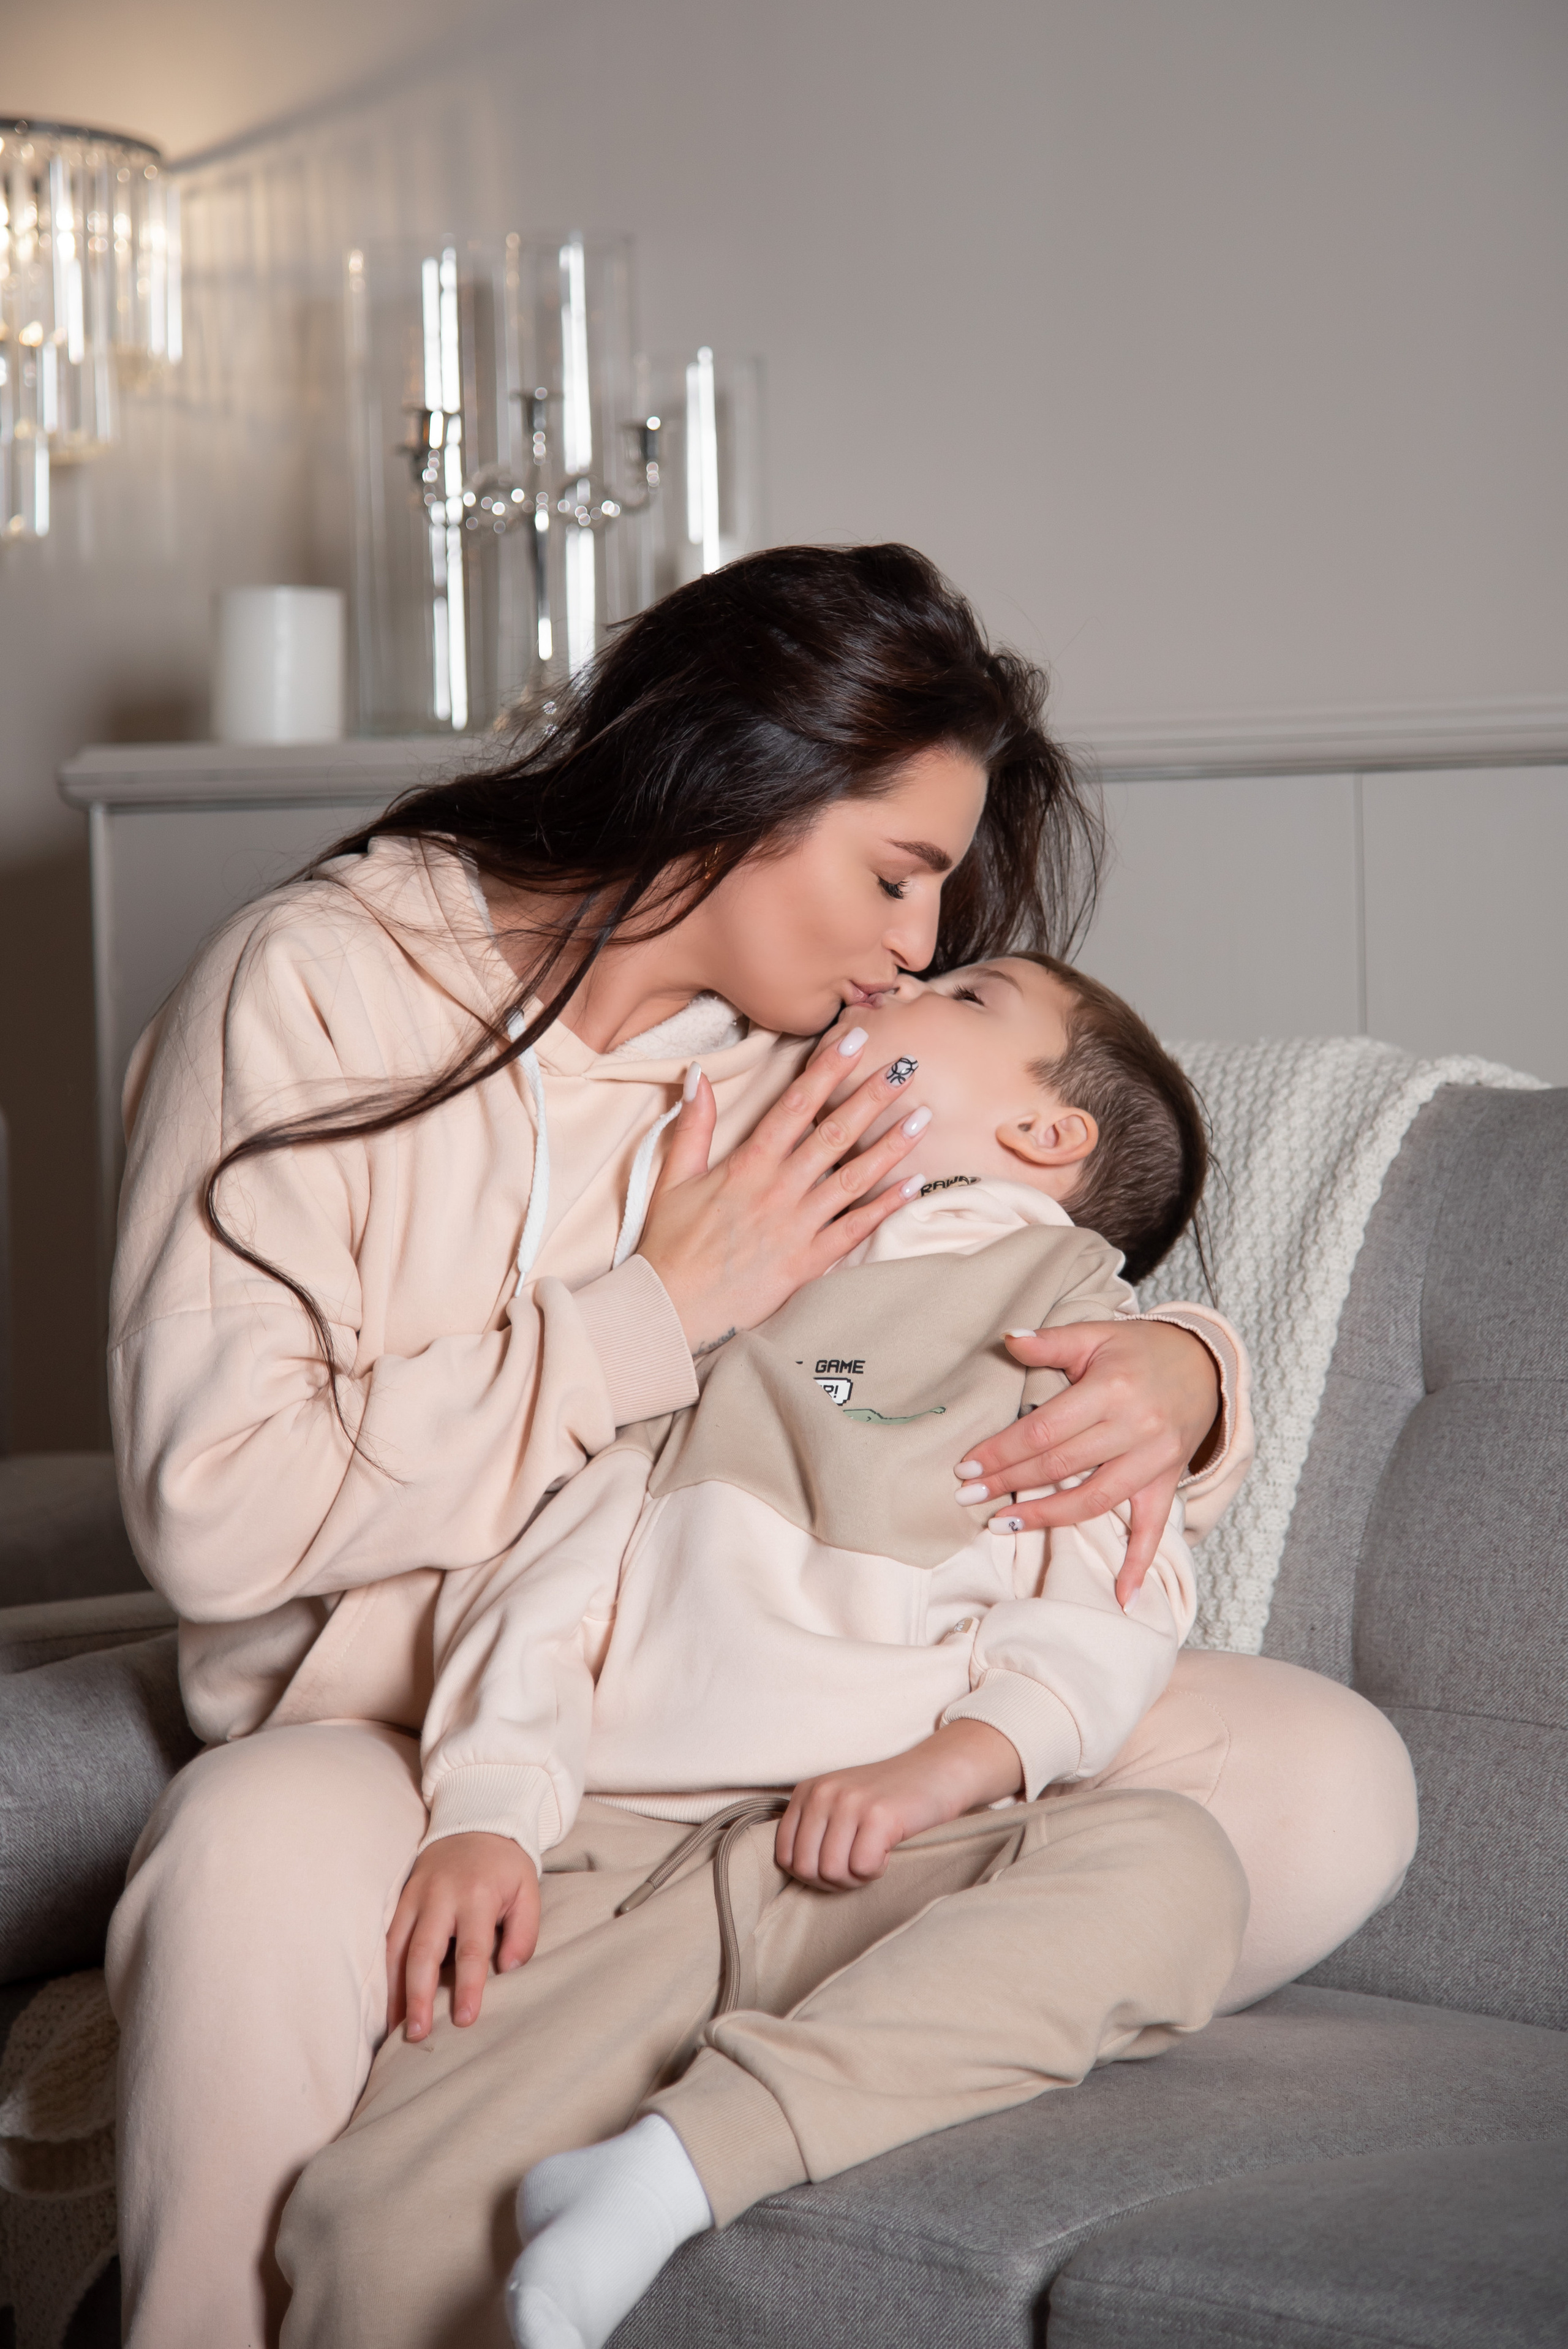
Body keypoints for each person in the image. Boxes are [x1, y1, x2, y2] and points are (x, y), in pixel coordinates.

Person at [103, 545, 1415, 2349]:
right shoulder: (322, 986)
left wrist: (1181, 1374)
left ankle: (695, 2067)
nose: (913, 952)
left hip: (793, 1707)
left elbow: (996, 1233)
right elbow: (221, 1517)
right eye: (896, 877)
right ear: (744, 775)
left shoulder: (786, 1050)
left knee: (1324, 1776)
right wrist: (654, 1304)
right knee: (239, 1866)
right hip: (417, 1729)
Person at [275, 948, 1254, 2349]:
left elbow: (1120, 1604)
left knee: (1171, 1866)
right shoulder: (721, 1251)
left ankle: (674, 2168)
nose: (896, 981)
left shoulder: (1076, 1324)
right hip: (620, 1869)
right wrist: (490, 1814)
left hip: (892, 1868)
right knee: (368, 2224)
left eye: (965, 997)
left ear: (1043, 1136)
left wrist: (947, 1773)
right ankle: (603, 2172)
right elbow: (550, 1571)